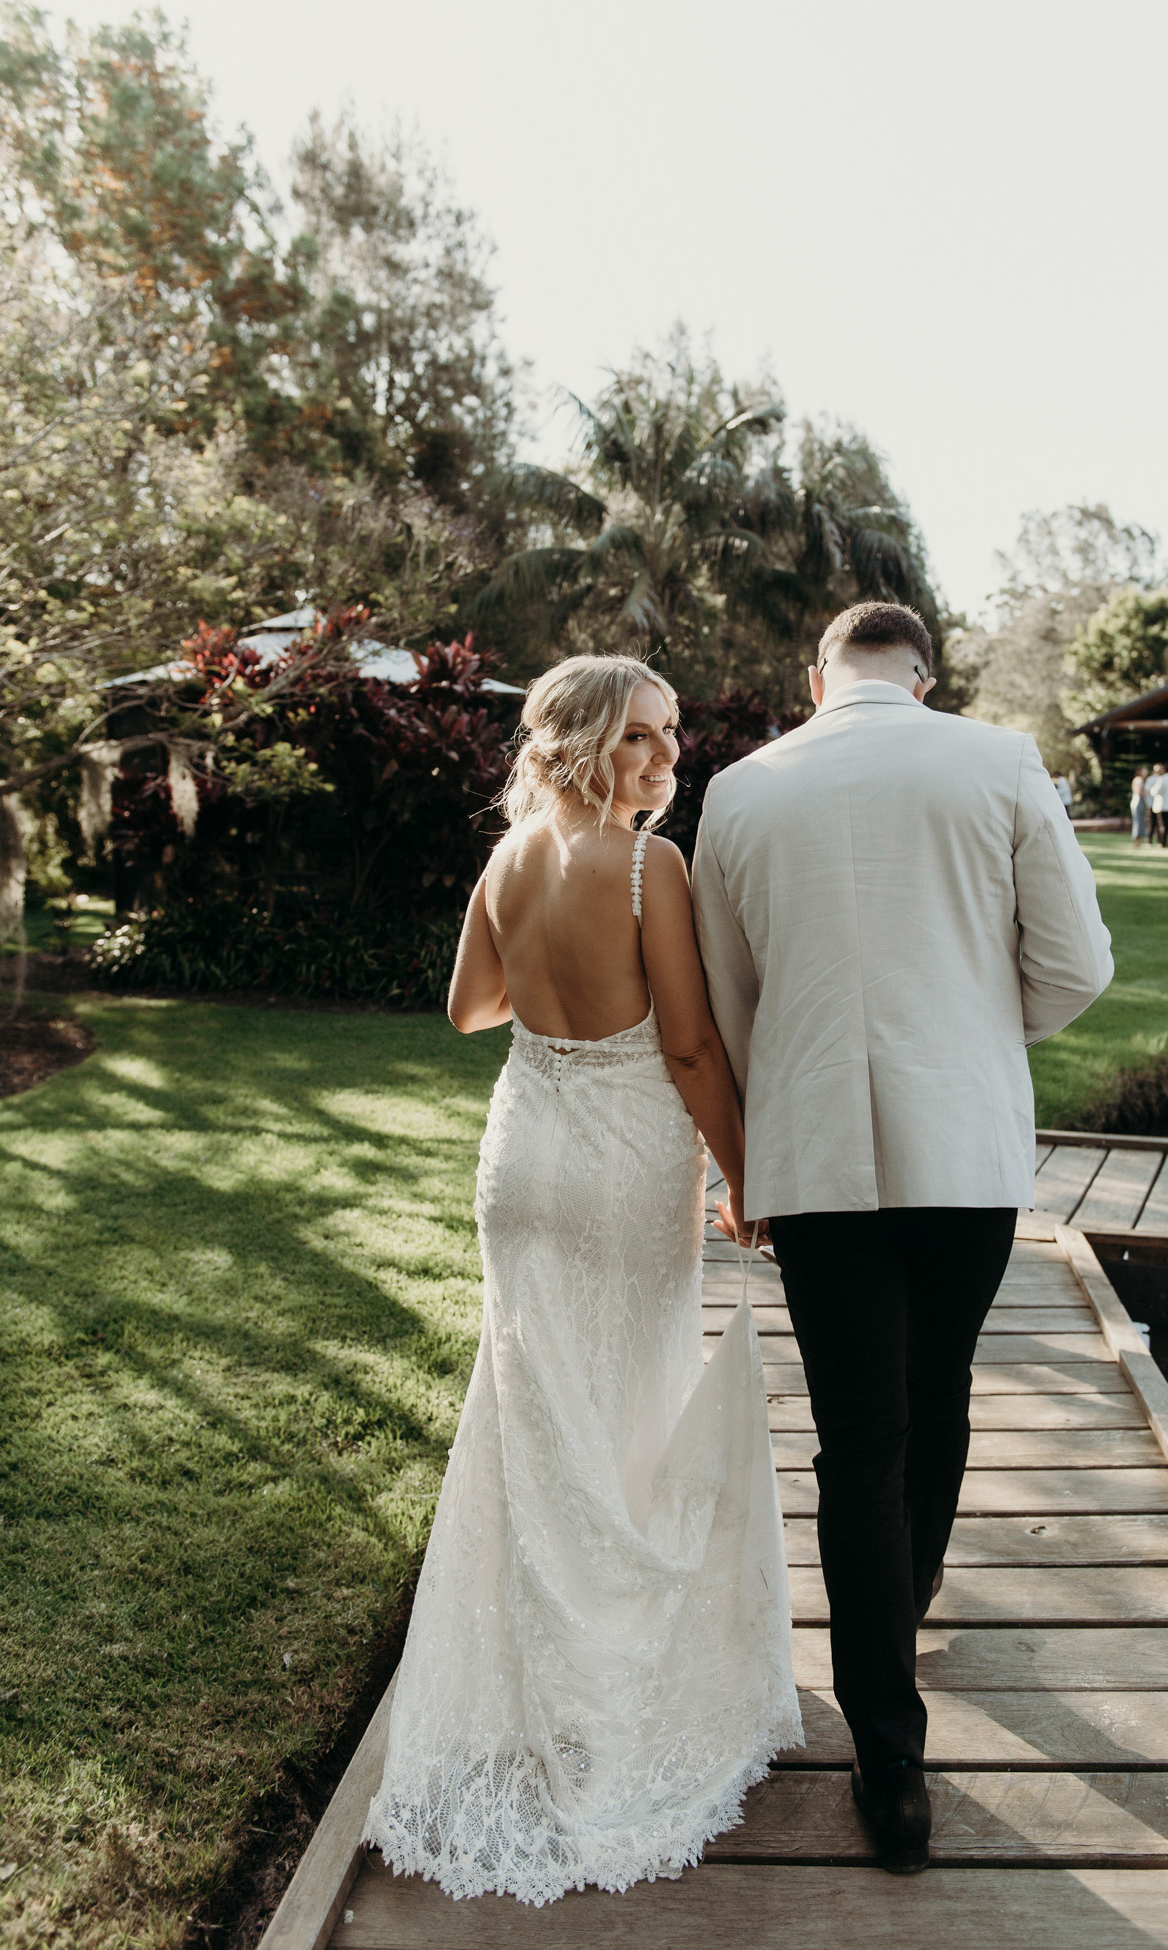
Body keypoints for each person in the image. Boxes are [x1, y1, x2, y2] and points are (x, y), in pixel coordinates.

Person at [364, 656, 802, 1906]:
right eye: (643, 742)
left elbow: (468, 1008)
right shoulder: (645, 867)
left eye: (672, 739)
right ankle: (610, 1678)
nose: (669, 762)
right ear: (585, 744)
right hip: (619, 1174)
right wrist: (744, 1172)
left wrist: (550, 989)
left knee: (536, 1415)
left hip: (522, 1163)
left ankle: (534, 1675)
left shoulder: (506, 861)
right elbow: (687, 1040)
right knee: (622, 1411)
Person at [691, 602, 1112, 1875]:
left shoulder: (744, 788)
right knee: (941, 1389)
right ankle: (905, 1600)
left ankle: (891, 1762)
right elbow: (1079, 963)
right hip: (964, 1144)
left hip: (812, 1155)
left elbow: (725, 993)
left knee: (857, 1437)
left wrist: (767, 1130)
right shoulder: (999, 759)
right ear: (926, 675)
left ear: (814, 674)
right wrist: (980, 1034)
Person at [1148, 761, 1168, 846]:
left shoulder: (1162, 779)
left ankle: (1162, 842)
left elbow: (1156, 791)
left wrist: (1151, 791)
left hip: (1163, 805)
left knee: (1163, 825)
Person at [1130, 768, 1150, 847]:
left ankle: (1138, 841)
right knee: (1138, 822)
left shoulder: (1138, 779)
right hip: (1138, 802)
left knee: (1140, 822)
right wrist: (1148, 792)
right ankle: (1136, 841)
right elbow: (1139, 791)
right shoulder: (1139, 779)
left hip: (1138, 801)